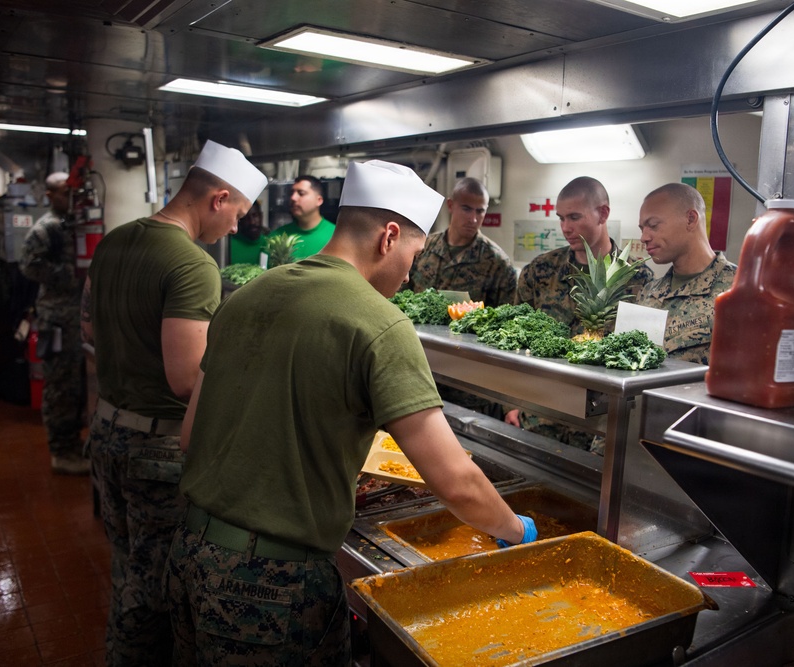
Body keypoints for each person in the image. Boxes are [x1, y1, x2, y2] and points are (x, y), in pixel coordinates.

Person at [165, 160, 537, 666]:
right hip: (272, 584)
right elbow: (456, 482)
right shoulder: (379, 321)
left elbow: (192, 435)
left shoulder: (248, 295)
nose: (409, 276)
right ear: (389, 236)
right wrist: (518, 532)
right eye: (412, 252)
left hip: (189, 554)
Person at [81, 140, 267, 666]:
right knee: (156, 590)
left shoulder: (114, 243)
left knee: (127, 567)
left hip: (108, 432)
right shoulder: (190, 263)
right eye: (237, 215)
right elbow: (188, 381)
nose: (235, 228)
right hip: (155, 452)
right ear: (218, 197)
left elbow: (90, 326)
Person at [507, 176, 653, 451]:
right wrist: (512, 401)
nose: (566, 228)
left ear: (603, 213)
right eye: (561, 218)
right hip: (541, 413)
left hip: (600, 427)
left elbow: (640, 355)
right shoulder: (540, 271)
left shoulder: (637, 279)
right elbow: (515, 338)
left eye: (574, 217)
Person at [19, 171, 88, 474]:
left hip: (75, 317)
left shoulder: (74, 224)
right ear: (49, 195)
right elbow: (29, 267)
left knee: (76, 385)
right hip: (55, 319)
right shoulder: (46, 229)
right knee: (60, 385)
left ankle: (73, 443)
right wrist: (70, 274)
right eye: (63, 192)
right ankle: (62, 451)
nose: (69, 198)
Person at [636, 182, 737, 365]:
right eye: (642, 229)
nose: (644, 237)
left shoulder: (739, 291)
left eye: (653, 225)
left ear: (690, 219)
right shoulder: (649, 292)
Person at [406, 177, 516, 306]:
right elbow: (402, 296)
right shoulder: (423, 247)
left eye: (480, 211)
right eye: (467, 209)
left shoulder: (497, 262)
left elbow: (505, 317)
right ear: (451, 205)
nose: (473, 219)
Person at [268, 174, 334, 259]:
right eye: (291, 193)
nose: (293, 198)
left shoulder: (335, 235)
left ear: (319, 200)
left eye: (301, 193)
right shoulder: (277, 237)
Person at [228, 199, 267, 265]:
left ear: (261, 216)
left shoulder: (270, 244)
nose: (252, 222)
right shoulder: (229, 245)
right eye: (246, 217)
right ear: (240, 220)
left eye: (255, 215)